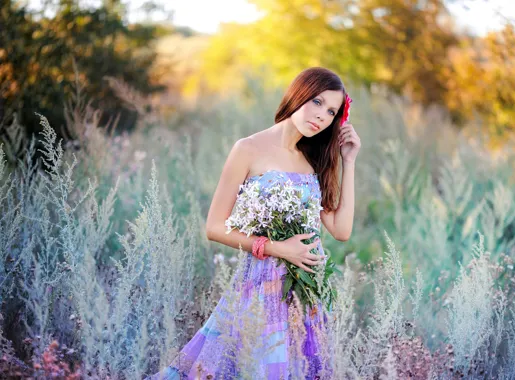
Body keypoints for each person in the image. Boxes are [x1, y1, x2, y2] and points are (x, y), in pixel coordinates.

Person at [147, 67, 361, 379]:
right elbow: (214, 227)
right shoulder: (248, 149)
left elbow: (341, 231)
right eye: (316, 102)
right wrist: (278, 248)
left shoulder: (314, 159)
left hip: (304, 297)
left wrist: (348, 161)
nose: (322, 116)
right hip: (259, 291)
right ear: (298, 95)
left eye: (331, 112)